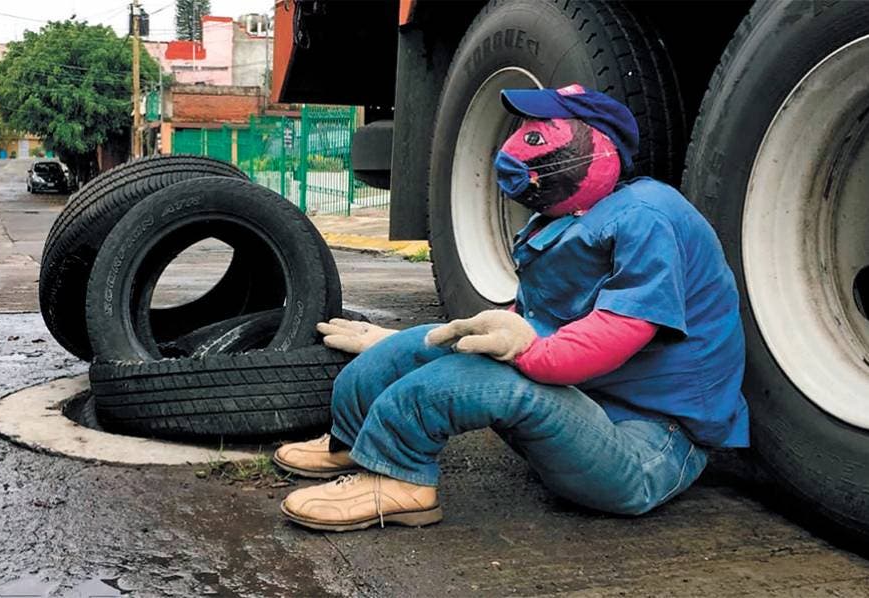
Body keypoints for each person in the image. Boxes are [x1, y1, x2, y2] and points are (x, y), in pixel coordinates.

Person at [273, 85, 749, 532]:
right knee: (431, 343)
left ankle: (399, 480)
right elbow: (538, 318)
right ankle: (353, 444)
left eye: (536, 136)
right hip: (588, 400)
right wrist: (399, 344)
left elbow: (619, 327)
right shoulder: (561, 219)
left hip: (652, 444)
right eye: (520, 134)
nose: (514, 150)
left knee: (484, 377)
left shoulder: (648, 215)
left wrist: (524, 354)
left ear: (597, 146)